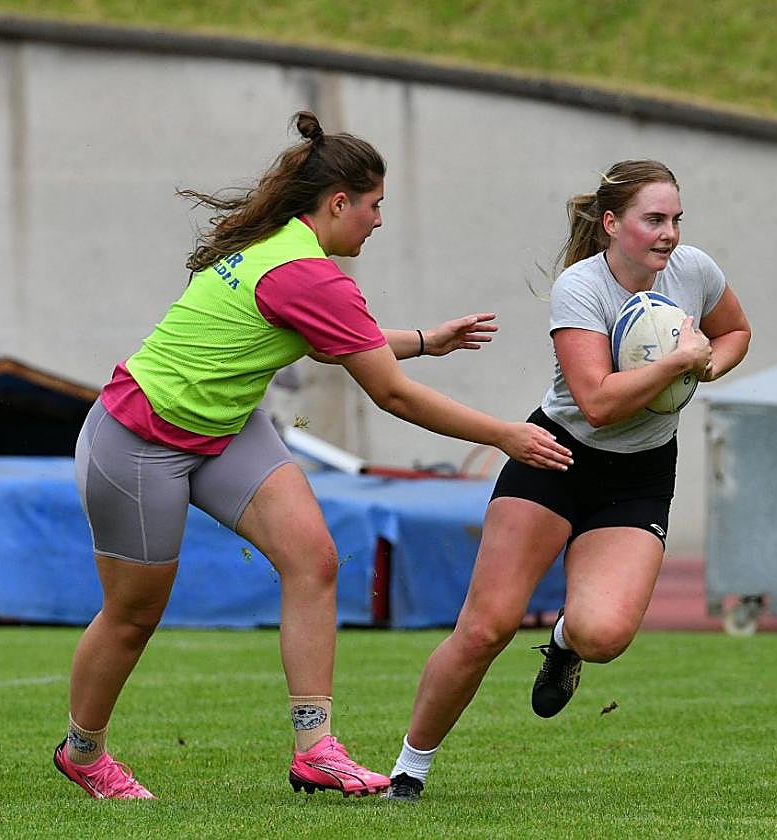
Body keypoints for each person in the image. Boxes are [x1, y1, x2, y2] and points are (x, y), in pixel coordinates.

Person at [55, 111, 574, 800]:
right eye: (374, 206)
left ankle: (315, 749)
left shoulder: (283, 247)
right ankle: (83, 752)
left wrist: (424, 337)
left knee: (314, 560)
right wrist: (504, 434)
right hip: (138, 440)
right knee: (132, 617)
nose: (379, 221)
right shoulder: (308, 273)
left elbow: (339, 330)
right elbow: (392, 396)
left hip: (223, 428)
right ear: (337, 204)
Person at [383, 160, 751, 802]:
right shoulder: (581, 287)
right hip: (554, 456)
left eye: (675, 220)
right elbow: (599, 402)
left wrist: (709, 363)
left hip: (639, 473)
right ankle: (409, 771)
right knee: (485, 628)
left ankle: (562, 644)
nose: (668, 234)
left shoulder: (695, 270)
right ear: (612, 224)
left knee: (603, 635)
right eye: (653, 220)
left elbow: (736, 331)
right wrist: (679, 361)